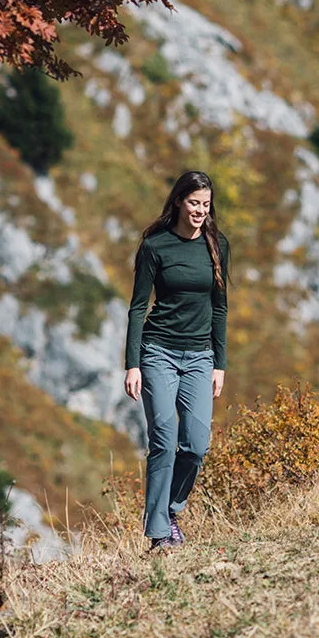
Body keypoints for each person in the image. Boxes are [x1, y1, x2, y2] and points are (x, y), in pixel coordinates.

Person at [124, 170, 229, 551]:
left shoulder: (217, 246)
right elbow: (138, 308)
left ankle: (170, 511)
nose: (200, 210)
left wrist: (220, 363)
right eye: (193, 203)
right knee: (164, 440)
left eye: (206, 204)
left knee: (197, 444)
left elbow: (221, 308)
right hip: (158, 354)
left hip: (201, 356)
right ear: (179, 202)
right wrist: (132, 363)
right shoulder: (156, 246)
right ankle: (157, 535)